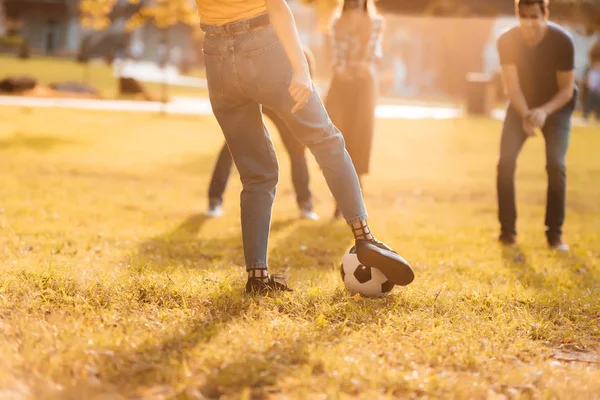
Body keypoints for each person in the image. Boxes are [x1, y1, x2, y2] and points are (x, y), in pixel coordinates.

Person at [196, 0, 415, 293]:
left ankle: (258, 276)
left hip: (216, 56)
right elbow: (276, 7)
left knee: (256, 173)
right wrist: (301, 67)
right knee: (326, 141)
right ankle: (364, 236)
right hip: (262, 49)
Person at [496, 0, 577, 251]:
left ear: (545, 14)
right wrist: (525, 115)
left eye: (534, 16)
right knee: (505, 163)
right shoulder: (507, 40)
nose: (529, 23)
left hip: (556, 107)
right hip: (522, 104)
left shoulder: (562, 42)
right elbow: (512, 87)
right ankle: (507, 233)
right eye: (524, 16)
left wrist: (543, 112)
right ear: (517, 15)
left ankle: (554, 235)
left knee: (556, 164)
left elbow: (566, 91)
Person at [206, 48, 319, 221]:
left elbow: (305, 84)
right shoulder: (259, 46)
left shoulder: (299, 52)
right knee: (232, 144)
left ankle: (305, 203)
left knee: (297, 149)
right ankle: (215, 200)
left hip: (280, 100)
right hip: (253, 94)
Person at [325, 0, 384, 219]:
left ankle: (355, 197)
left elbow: (372, 53)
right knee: (338, 139)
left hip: (364, 83)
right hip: (340, 84)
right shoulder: (336, 22)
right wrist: (342, 70)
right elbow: (335, 53)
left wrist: (361, 67)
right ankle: (338, 199)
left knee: (360, 137)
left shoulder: (375, 22)